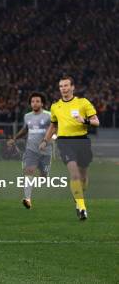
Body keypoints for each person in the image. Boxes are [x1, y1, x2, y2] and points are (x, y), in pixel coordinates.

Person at [39, 76, 99, 220]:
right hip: (64, 142)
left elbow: (96, 122)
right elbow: (53, 126)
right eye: (61, 86)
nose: (63, 89)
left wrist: (83, 120)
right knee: (74, 174)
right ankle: (82, 207)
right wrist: (45, 141)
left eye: (66, 86)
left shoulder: (83, 103)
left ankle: (78, 196)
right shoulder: (55, 106)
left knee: (83, 176)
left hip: (82, 141)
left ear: (72, 87)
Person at [7, 92, 52, 209]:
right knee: (29, 171)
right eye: (32, 101)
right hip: (31, 150)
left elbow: (54, 130)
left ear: (42, 103)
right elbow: (25, 129)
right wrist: (14, 138)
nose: (35, 103)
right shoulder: (27, 116)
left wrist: (47, 141)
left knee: (43, 176)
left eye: (37, 101)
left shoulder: (49, 116)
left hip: (45, 151)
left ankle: (44, 173)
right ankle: (27, 199)